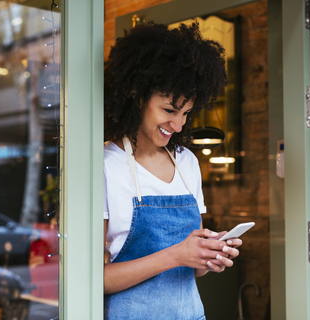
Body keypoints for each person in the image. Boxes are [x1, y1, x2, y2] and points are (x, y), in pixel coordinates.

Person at [103, 21, 242, 320]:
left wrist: (207, 258)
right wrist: (176, 254)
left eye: (186, 113)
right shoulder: (104, 166)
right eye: (169, 110)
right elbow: (94, 280)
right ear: (138, 96)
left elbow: (192, 271)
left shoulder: (187, 163)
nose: (178, 125)